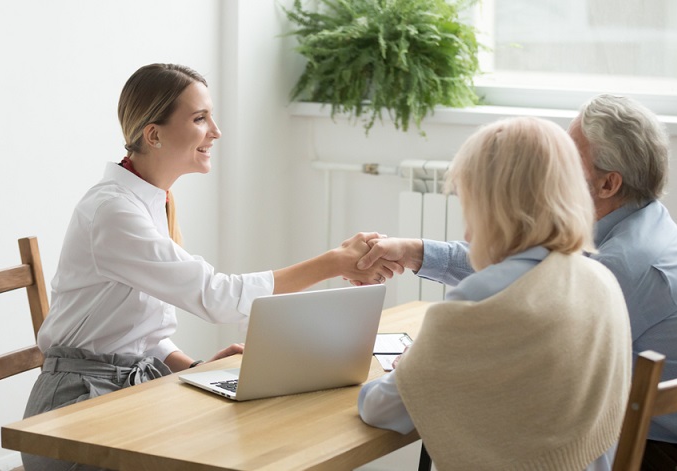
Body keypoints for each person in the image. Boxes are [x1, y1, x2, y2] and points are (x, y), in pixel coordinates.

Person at [22, 63, 397, 471]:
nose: (215, 131)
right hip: (76, 408)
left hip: (127, 392)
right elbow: (218, 297)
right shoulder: (113, 213)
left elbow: (134, 331)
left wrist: (194, 367)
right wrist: (334, 262)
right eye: (200, 118)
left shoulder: (153, 202)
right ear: (154, 134)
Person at [357, 95, 677, 470]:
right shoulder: (637, 236)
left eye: (571, 155)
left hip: (671, 451)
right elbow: (529, 282)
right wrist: (418, 253)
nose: (557, 165)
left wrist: (427, 363)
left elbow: (520, 292)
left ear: (608, 184)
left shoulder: (620, 265)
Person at [358, 116, 632, 470]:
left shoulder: (478, 304)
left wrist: (412, 367)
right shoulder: (601, 280)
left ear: (491, 208)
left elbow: (380, 409)